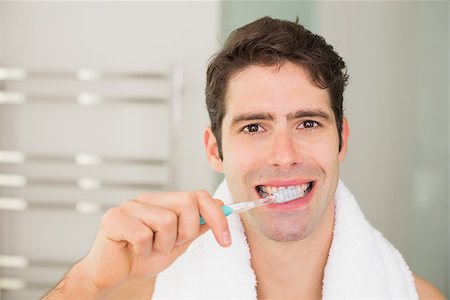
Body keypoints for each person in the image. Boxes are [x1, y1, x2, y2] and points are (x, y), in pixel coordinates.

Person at [43, 17, 444, 299]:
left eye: (307, 123)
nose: (284, 157)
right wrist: (90, 283)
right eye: (254, 127)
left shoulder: (414, 296)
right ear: (215, 150)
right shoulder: (139, 291)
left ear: (341, 141)